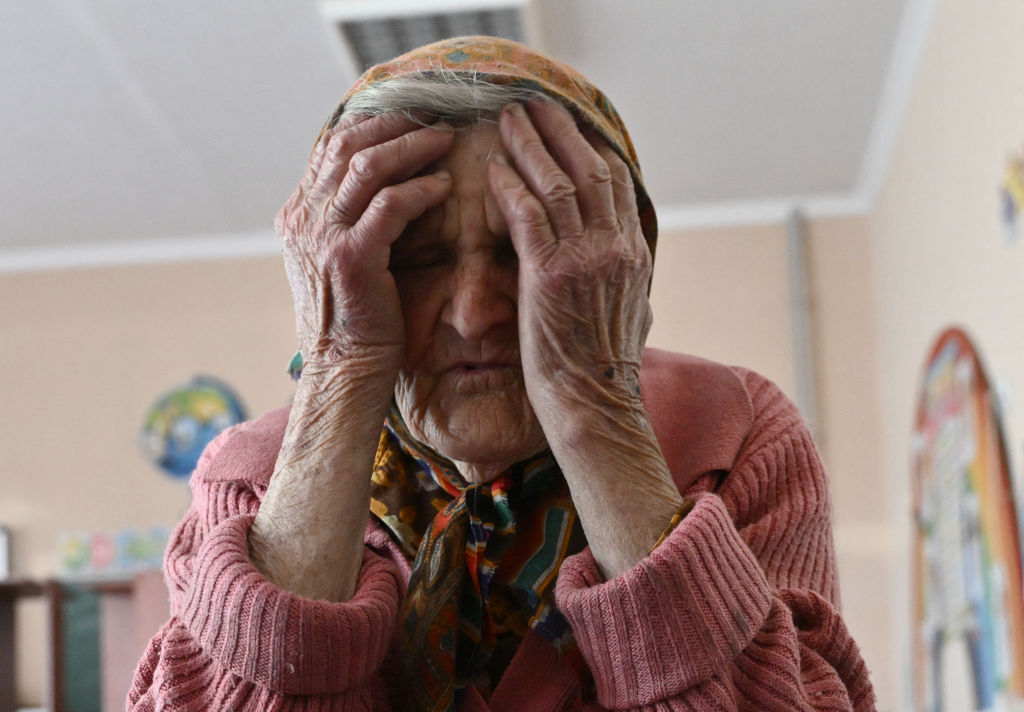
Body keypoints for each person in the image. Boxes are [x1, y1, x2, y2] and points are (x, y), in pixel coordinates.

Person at [127, 36, 876, 711]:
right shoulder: (248, 483)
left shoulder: (731, 430)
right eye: (416, 260)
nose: (473, 312)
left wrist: (594, 408)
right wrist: (337, 371)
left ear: (619, 266)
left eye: (527, 248)